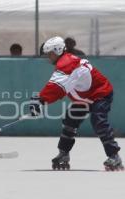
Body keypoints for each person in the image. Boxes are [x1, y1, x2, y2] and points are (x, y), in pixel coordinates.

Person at [29, 36, 123, 171]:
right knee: (70, 121)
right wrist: (41, 100)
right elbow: (58, 86)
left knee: (99, 121)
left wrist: (41, 100)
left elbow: (56, 87)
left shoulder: (67, 63)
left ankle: (114, 156)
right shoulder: (65, 62)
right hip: (84, 98)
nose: (48, 57)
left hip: (100, 93)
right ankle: (63, 154)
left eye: (49, 54)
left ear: (58, 50)